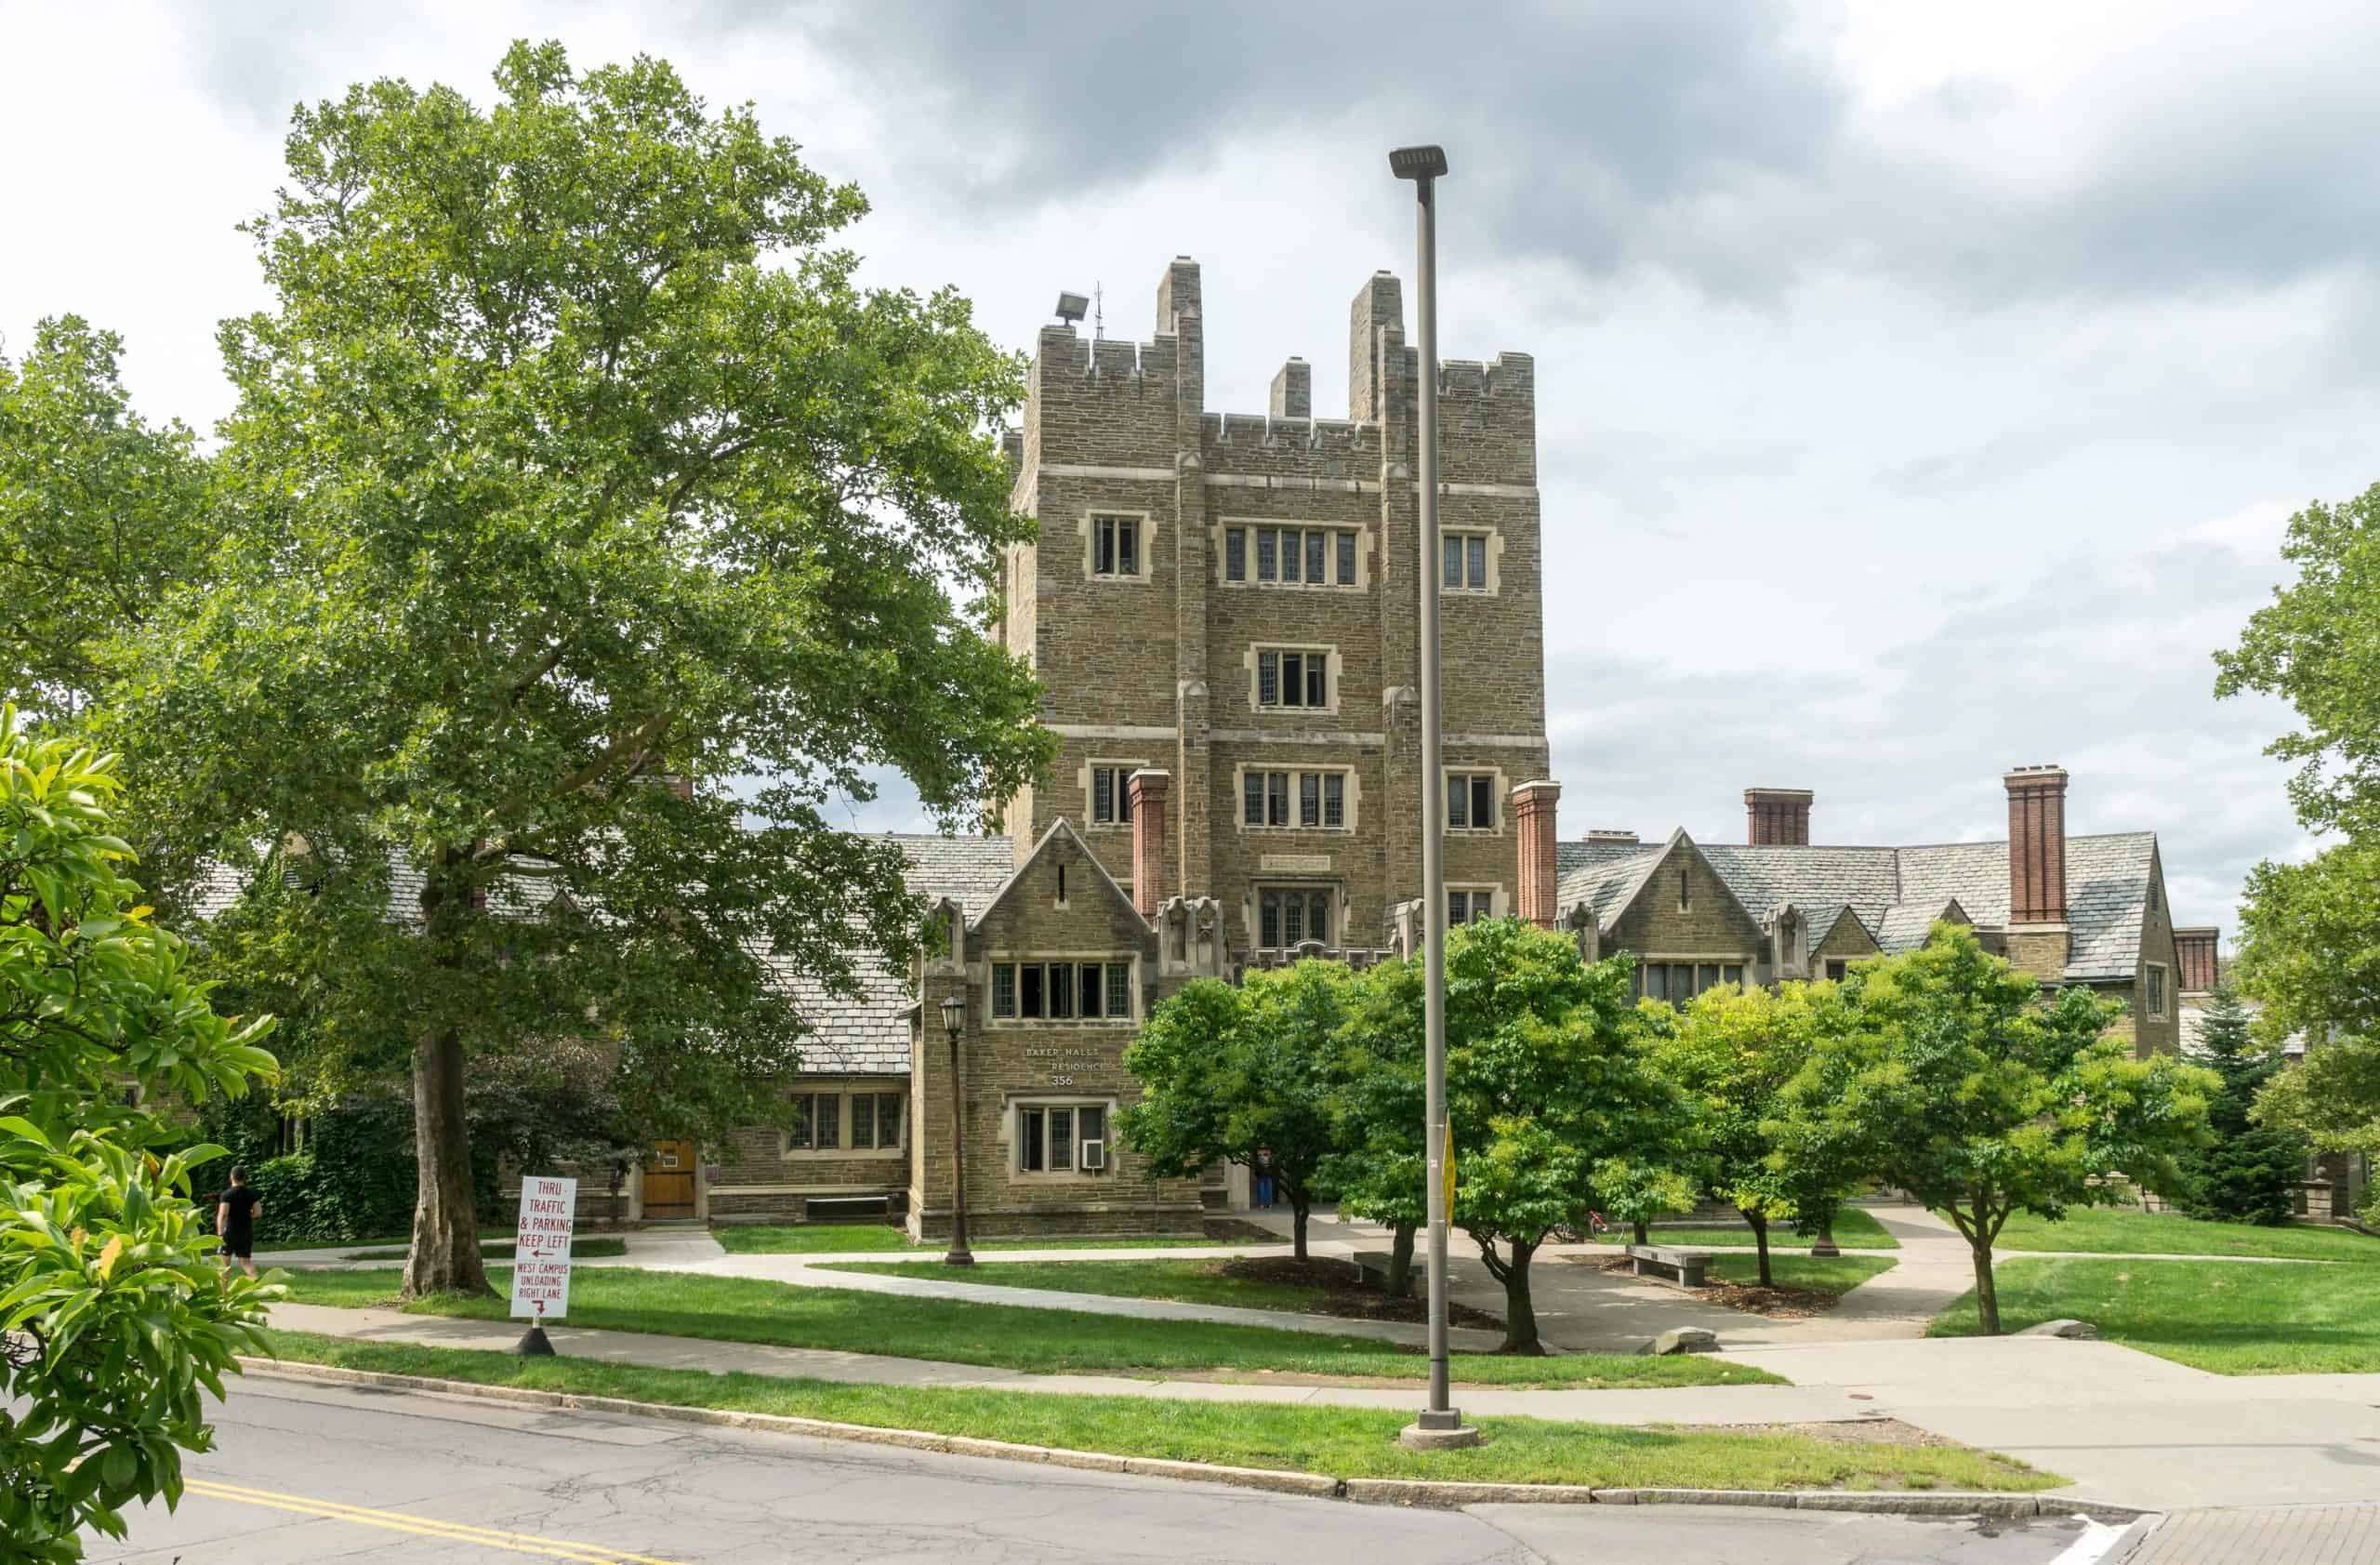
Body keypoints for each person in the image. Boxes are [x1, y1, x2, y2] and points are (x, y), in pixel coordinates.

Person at [216, 1166, 263, 1279]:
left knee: (224, 1265)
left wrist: (220, 1234)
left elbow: (223, 1215)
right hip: (246, 1232)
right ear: (244, 1177)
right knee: (246, 1263)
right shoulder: (252, 1193)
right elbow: (258, 1213)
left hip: (229, 1233)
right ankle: (257, 1283)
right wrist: (245, 1215)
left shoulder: (227, 1195)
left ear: (231, 1176)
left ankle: (224, 1294)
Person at [1252, 1146, 1275, 1211]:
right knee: (1268, 1189)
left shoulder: (1259, 1156)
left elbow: (1257, 1165)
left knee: (1262, 1189)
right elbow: (1272, 1165)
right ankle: (1269, 1204)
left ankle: (1262, 1204)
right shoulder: (1269, 1157)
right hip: (1268, 1174)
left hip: (1261, 1174)